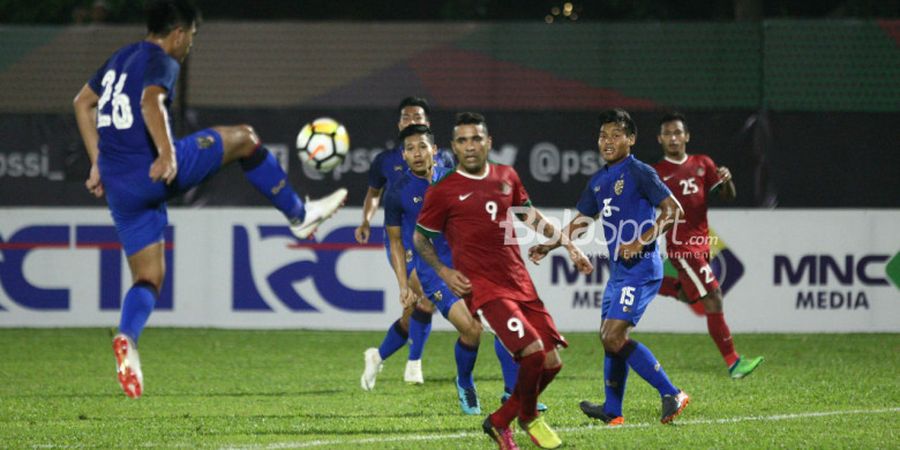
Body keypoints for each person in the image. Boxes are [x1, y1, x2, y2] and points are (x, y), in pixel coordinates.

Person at [72, 0, 347, 399]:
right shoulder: (161, 58)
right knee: (245, 139)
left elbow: (82, 103)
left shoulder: (120, 56)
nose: (190, 46)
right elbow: (152, 101)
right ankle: (299, 214)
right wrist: (167, 153)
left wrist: (98, 162)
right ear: (179, 33)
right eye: (193, 37)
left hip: (119, 185)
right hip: (151, 170)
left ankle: (127, 340)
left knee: (148, 277)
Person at [415, 112, 568, 449]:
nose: (470, 146)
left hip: (519, 280)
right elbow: (420, 239)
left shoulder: (506, 176)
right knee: (531, 354)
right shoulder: (443, 191)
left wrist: (566, 243)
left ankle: (502, 419)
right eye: (463, 140)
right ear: (454, 147)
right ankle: (524, 417)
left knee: (553, 362)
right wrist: (443, 271)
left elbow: (529, 215)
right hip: (483, 288)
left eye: (476, 139)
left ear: (489, 142)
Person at [530, 108, 689, 427]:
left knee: (613, 336)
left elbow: (674, 210)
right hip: (620, 271)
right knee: (609, 337)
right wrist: (550, 246)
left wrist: (640, 241)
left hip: (642, 267)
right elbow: (582, 221)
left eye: (617, 135)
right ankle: (613, 410)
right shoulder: (600, 181)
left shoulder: (640, 171)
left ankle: (672, 393)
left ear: (631, 139)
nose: (608, 141)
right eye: (603, 135)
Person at [362, 124, 489, 414]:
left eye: (422, 146)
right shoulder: (397, 192)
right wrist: (403, 285)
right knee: (469, 328)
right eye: (410, 149)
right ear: (403, 156)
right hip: (433, 272)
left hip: (469, 266)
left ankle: (515, 395)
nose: (416, 153)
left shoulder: (455, 178)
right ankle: (459, 380)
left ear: (434, 150)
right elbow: (394, 240)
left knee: (496, 329)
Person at [653, 112, 764, 379]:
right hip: (682, 248)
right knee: (713, 298)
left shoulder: (703, 163)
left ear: (687, 136)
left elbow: (727, 196)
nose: (673, 138)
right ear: (660, 139)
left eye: (678, 132)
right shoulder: (656, 173)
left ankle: (651, 281)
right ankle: (734, 362)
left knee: (690, 295)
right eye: (668, 134)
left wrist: (727, 181)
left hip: (702, 245)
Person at [354, 97, 454, 384]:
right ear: (399, 124)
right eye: (406, 117)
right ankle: (414, 364)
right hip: (404, 244)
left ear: (428, 124)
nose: (412, 121)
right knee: (425, 297)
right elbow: (374, 194)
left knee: (415, 310)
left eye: (417, 116)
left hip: (436, 244)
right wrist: (366, 219)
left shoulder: (444, 159)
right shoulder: (385, 161)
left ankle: (378, 355)